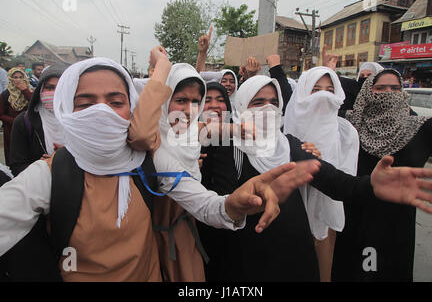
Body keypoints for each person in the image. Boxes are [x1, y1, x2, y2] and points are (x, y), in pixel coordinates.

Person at [0, 51, 320, 282]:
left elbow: (207, 205)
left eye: (115, 101)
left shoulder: (149, 160)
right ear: (66, 109)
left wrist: (233, 205)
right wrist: (162, 67)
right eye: (84, 104)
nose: (102, 112)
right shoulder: (52, 173)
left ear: (132, 109)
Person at [198, 73, 432, 282]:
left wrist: (370, 185)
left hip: (296, 262)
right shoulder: (228, 148)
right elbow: (223, 207)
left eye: (274, 101)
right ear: (241, 106)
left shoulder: (289, 145)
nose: (268, 108)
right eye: (258, 102)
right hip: (246, 263)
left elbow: (336, 183)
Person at [133, 62, 321, 281]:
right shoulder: (159, 148)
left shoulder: (187, 133)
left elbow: (205, 129)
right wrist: (232, 205)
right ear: (164, 103)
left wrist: (236, 128)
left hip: (190, 232)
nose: (188, 110)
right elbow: (205, 204)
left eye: (196, 102)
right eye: (181, 100)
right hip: (165, 237)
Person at [333, 68, 432, 282]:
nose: (388, 93)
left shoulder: (420, 129)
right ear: (367, 91)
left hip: (397, 228)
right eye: (380, 88)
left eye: (395, 88)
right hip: (354, 223)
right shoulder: (348, 127)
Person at [283, 66, 359, 282]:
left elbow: (345, 180)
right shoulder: (285, 129)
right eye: (316, 90)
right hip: (290, 214)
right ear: (303, 93)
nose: (324, 96)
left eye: (329, 90)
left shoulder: (345, 132)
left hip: (325, 216)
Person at [9, 64, 67, 177]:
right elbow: (17, 165)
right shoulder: (24, 122)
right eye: (49, 88)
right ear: (40, 89)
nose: (55, 93)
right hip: (38, 191)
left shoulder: (80, 120)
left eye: (61, 88)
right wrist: (41, 167)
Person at [0, 68, 33, 166]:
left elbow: (34, 105)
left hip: (27, 128)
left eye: (21, 77)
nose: (18, 80)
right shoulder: (5, 95)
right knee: (12, 154)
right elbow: (1, 114)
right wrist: (15, 121)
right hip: (11, 129)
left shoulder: (29, 92)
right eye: (15, 77)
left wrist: (25, 90)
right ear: (10, 79)